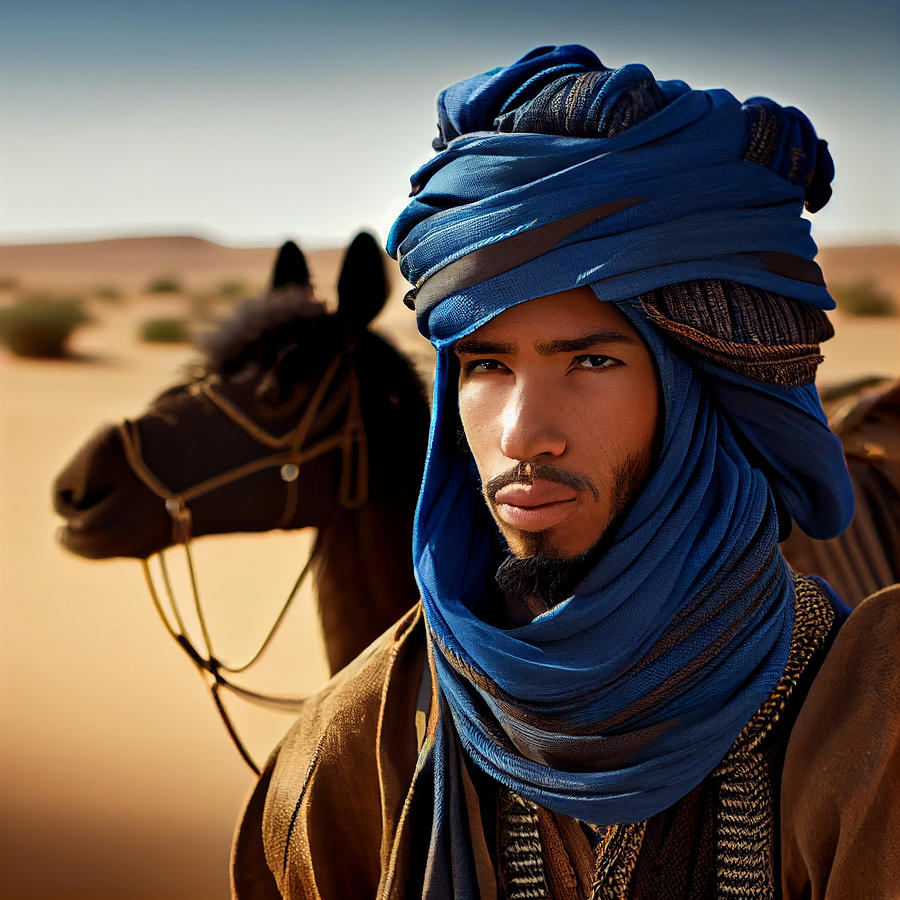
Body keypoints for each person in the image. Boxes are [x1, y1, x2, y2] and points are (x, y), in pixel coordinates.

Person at [232, 46, 900, 899]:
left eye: (588, 361)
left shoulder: (872, 720)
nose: (522, 434)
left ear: (701, 387)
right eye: (485, 366)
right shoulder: (353, 752)